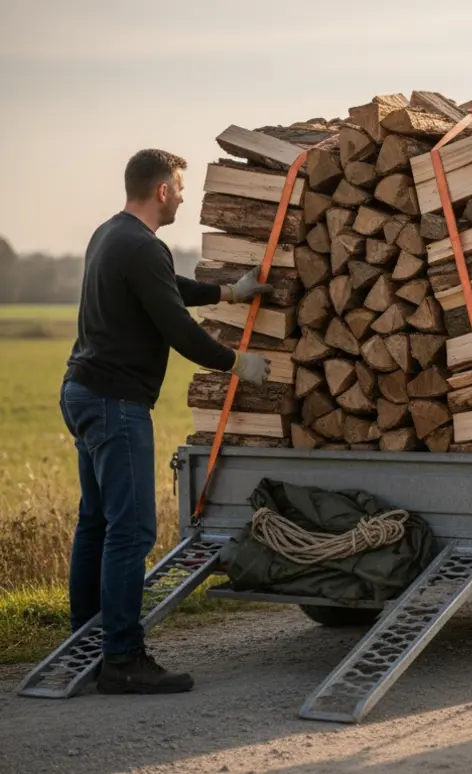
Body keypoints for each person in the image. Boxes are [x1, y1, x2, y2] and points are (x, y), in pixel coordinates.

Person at [60, 149, 274, 693]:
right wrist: (237, 364)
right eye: (180, 186)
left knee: (98, 523)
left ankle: (83, 647)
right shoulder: (142, 246)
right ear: (161, 191)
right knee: (131, 530)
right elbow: (178, 329)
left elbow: (168, 288)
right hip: (115, 402)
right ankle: (122, 659)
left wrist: (227, 292)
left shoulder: (110, 235)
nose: (182, 194)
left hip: (82, 391)